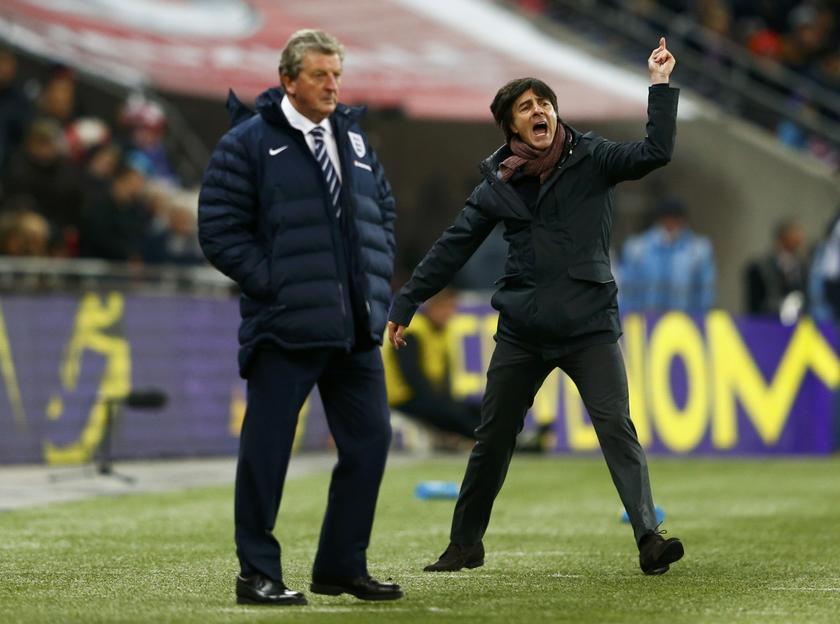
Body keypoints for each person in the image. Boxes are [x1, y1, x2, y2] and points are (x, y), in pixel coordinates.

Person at [388, 38, 684, 576]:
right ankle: (464, 544)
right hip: (523, 330)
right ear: (512, 128)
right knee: (492, 439)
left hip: (589, 325)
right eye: (526, 107)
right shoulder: (498, 184)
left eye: (544, 102)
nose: (539, 110)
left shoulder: (593, 156)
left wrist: (659, 87)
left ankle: (649, 538)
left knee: (615, 427)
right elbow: (452, 246)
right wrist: (407, 301)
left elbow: (655, 152)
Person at [198, 29, 401, 606]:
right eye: (319, 75)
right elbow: (218, 229)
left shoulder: (353, 138)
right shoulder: (248, 142)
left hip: (353, 327)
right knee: (266, 453)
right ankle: (256, 573)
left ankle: (341, 565)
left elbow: (382, 212)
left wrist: (373, 283)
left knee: (370, 442)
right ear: (288, 80)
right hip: (285, 327)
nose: (332, 85)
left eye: (336, 74)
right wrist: (276, 284)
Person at [383, 288, 482, 440]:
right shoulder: (412, 331)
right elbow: (412, 376)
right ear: (432, 307)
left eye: (452, 308)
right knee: (455, 415)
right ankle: (487, 440)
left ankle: (499, 437)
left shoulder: (443, 331)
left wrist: (445, 401)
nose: (449, 313)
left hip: (428, 396)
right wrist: (440, 404)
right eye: (444, 307)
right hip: (403, 398)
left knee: (476, 408)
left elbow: (445, 374)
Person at [619, 197, 716, 314]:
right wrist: (628, 316)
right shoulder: (637, 248)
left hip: (684, 319)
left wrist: (699, 318)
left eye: (676, 219)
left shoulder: (699, 250)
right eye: (667, 219)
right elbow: (627, 288)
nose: (671, 223)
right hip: (645, 317)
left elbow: (705, 292)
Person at [744, 218, 808, 322]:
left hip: (796, 324)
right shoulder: (759, 268)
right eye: (794, 235)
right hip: (768, 322)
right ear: (783, 237)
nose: (799, 239)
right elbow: (755, 304)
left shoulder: (803, 267)